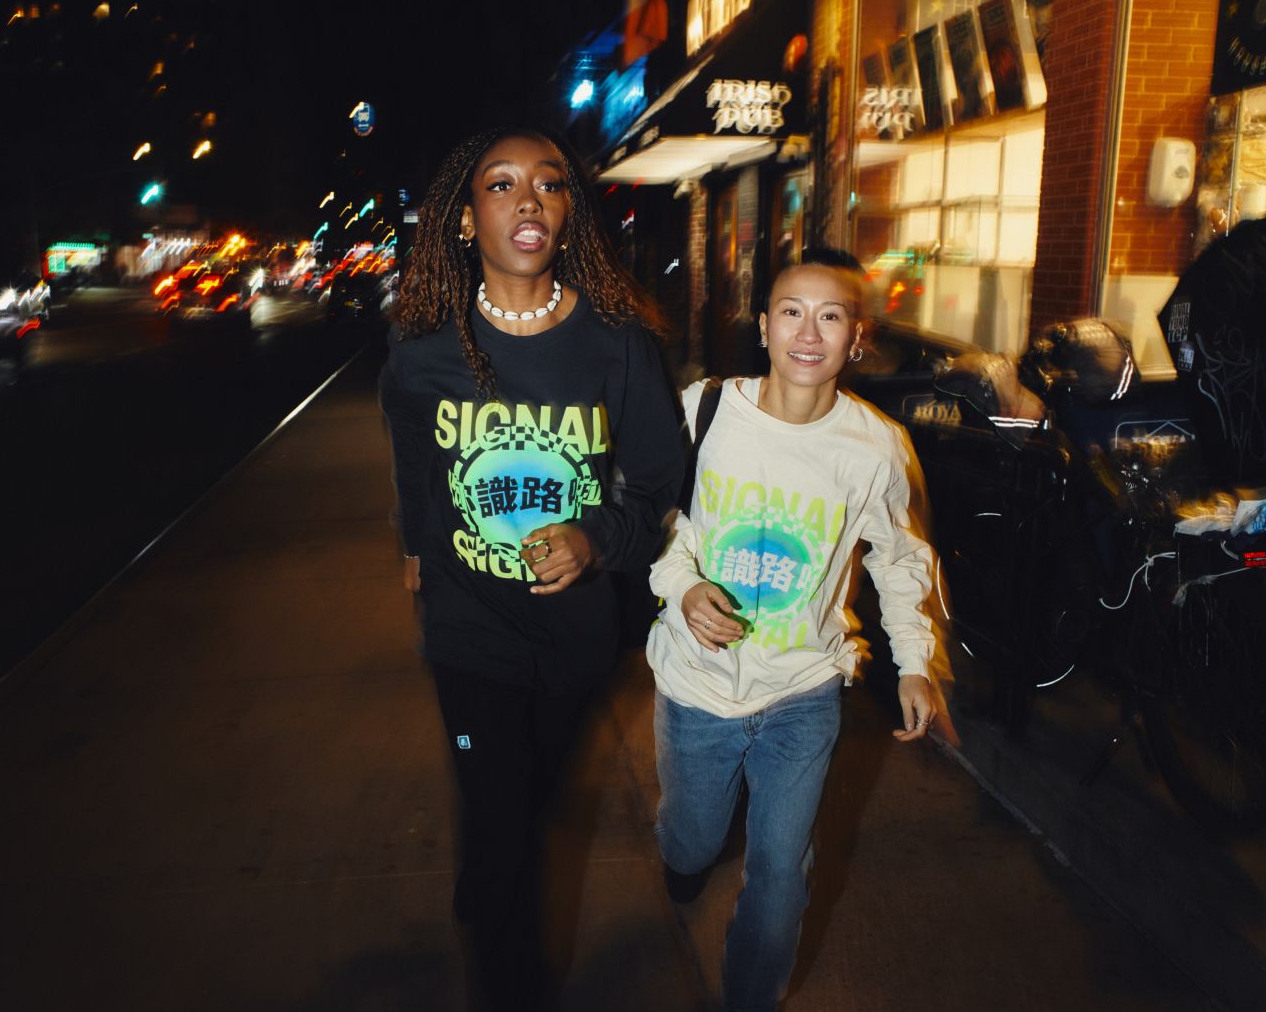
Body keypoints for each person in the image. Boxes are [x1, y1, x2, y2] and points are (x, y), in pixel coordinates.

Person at [378, 126, 683, 1010]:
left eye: (549, 185)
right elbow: (412, 455)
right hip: (469, 632)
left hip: (578, 637)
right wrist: (415, 545)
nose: (528, 200)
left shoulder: (617, 341)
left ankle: (489, 869)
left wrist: (595, 539)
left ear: (568, 212)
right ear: (465, 217)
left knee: (530, 800)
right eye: (501, 184)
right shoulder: (425, 345)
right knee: (502, 814)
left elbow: (659, 482)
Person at [646, 248, 940, 1012]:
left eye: (830, 316)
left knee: (782, 871)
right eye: (791, 312)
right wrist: (684, 586)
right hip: (698, 687)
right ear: (764, 327)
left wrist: (914, 661)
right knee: (693, 840)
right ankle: (683, 855)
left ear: (857, 338)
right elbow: (656, 523)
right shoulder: (705, 411)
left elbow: (901, 557)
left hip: (805, 689)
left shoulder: (876, 446)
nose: (809, 333)